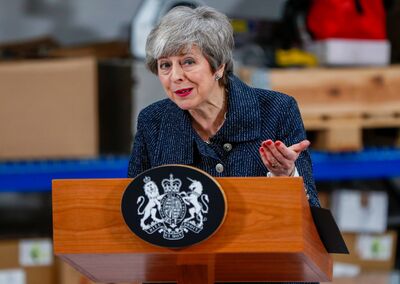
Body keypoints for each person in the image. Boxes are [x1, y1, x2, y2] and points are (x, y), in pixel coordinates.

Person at [128, 5, 319, 206]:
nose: (175, 77)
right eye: (165, 65)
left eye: (188, 62)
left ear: (219, 66)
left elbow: (310, 211)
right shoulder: (153, 122)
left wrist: (287, 176)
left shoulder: (278, 110)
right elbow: (134, 208)